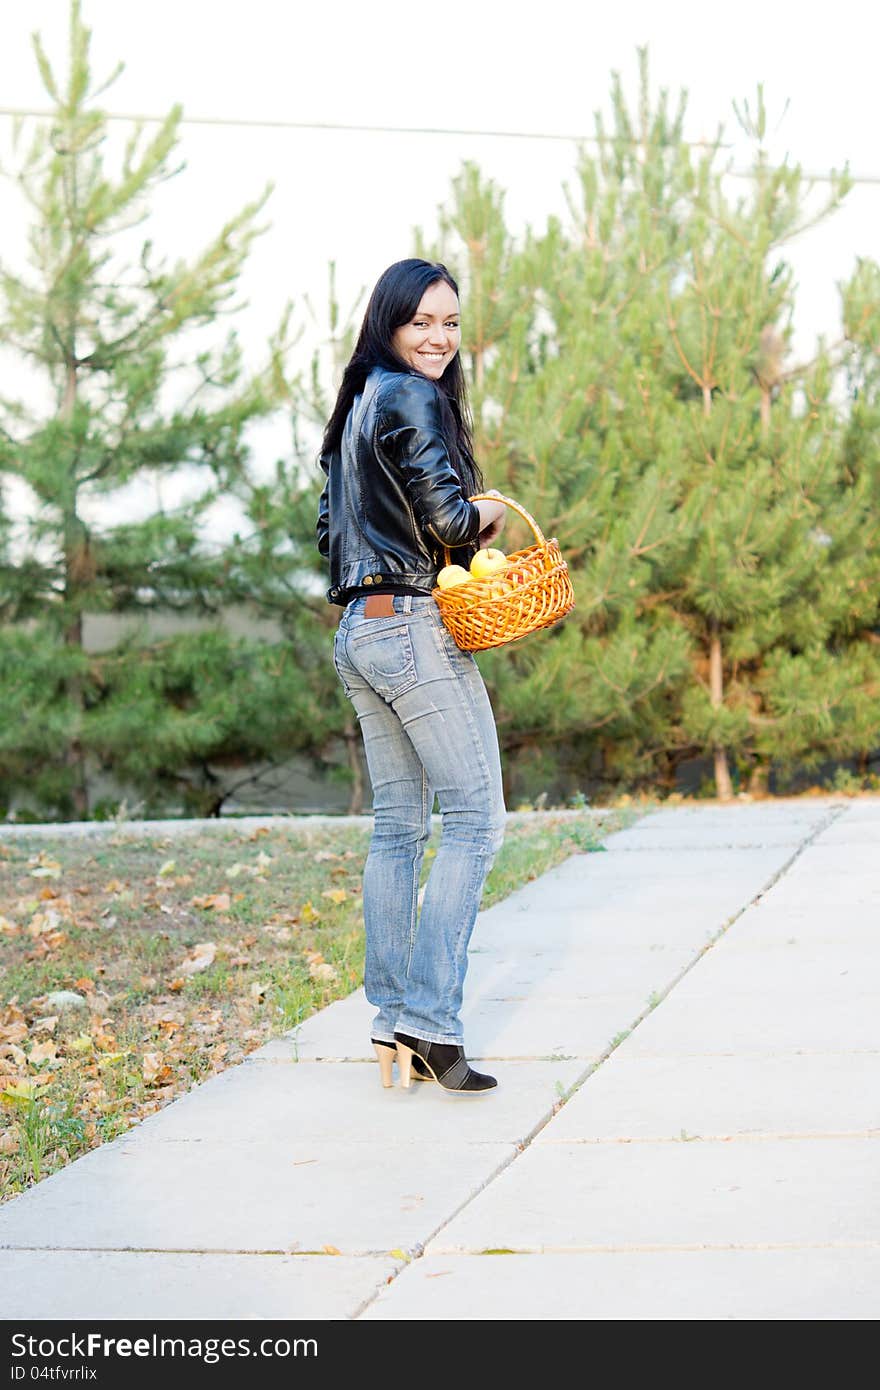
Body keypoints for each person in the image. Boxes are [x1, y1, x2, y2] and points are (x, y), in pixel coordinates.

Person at [316, 258, 508, 1095]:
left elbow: (331, 528)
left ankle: (392, 1016)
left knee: (398, 825)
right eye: (422, 322)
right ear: (389, 323)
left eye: (451, 324)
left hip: (360, 629)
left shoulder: (357, 406)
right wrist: (488, 515)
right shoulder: (414, 396)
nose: (438, 339)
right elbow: (449, 521)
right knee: (476, 819)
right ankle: (432, 1024)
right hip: (412, 628)